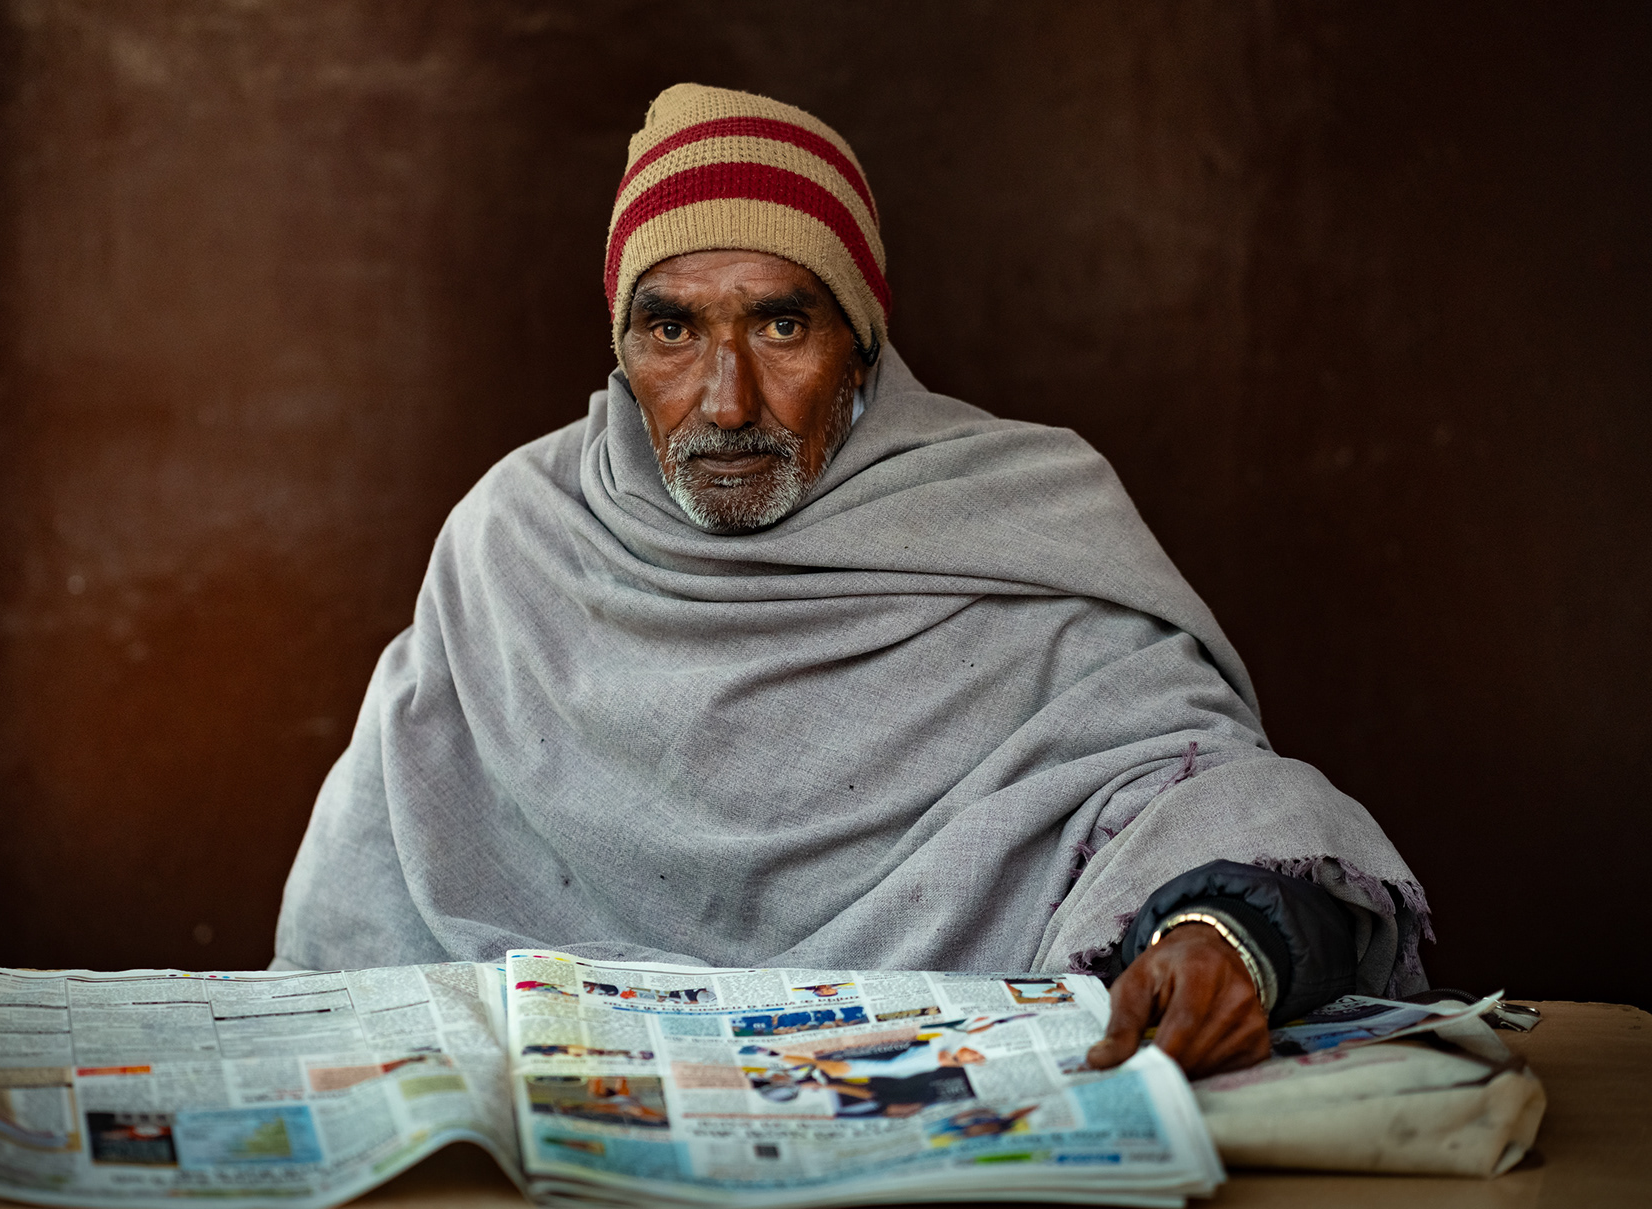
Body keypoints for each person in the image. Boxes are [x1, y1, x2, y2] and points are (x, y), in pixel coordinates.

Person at [273, 84, 1432, 1079]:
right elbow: (369, 884)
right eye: (671, 332)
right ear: (621, 353)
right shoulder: (514, 547)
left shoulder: (1017, 524)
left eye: (782, 325)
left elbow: (1191, 780)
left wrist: (1223, 934)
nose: (725, 401)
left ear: (865, 346)